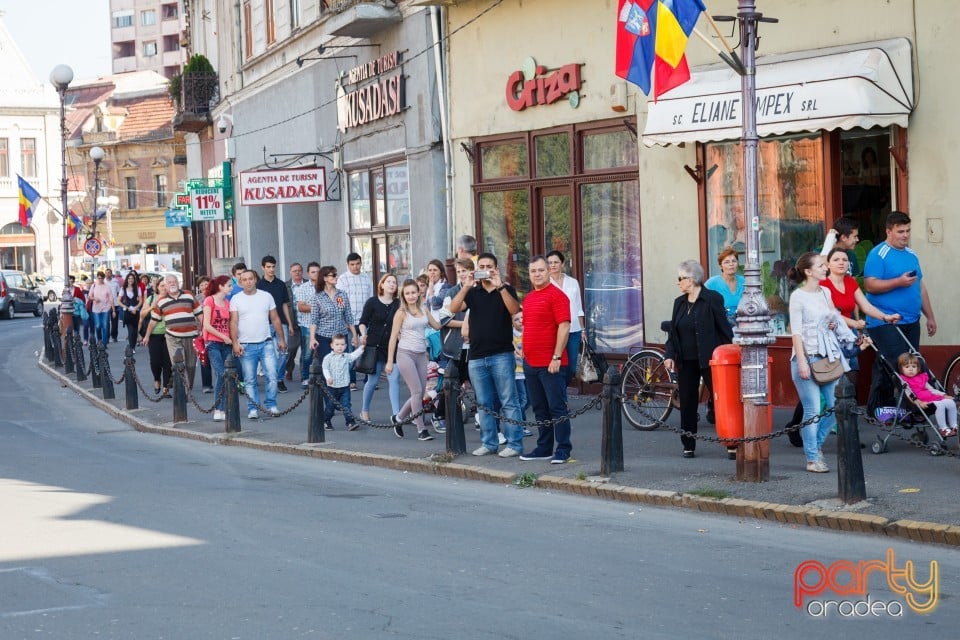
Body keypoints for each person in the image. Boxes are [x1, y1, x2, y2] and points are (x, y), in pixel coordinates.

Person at [449, 252, 524, 457]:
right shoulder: (473, 292)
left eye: (488, 266)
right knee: (483, 403)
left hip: (501, 354)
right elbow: (453, 308)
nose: (485, 269)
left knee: (508, 400)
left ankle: (515, 444)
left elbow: (514, 310)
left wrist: (499, 286)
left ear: (495, 268)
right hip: (476, 355)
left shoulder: (505, 289)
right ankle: (489, 443)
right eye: (481, 265)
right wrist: (465, 285)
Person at [788, 252, 857, 473]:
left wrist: (833, 326)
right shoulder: (798, 296)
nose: (825, 267)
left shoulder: (826, 292)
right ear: (808, 271)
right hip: (806, 357)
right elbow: (796, 333)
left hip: (827, 357)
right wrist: (801, 362)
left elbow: (832, 318)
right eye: (820, 265)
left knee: (836, 406)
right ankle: (811, 458)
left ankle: (815, 446)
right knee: (813, 409)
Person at [863, 211, 937, 415]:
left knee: (909, 364)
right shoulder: (879, 254)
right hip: (886, 322)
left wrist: (929, 316)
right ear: (889, 231)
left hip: (911, 320)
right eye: (900, 231)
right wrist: (898, 282)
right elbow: (870, 285)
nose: (905, 235)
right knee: (901, 365)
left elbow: (920, 287)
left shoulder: (912, 255)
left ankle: (892, 410)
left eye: (908, 231)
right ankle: (914, 409)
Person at [662, 260, 733, 459]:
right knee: (687, 401)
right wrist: (670, 355)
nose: (678, 282)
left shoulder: (712, 299)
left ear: (691, 279)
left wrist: (730, 352)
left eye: (680, 278)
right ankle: (688, 444)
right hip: (686, 360)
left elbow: (723, 329)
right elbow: (673, 333)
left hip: (711, 359)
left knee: (721, 400)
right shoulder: (679, 303)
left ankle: (732, 442)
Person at [518, 256, 572, 463]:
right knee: (539, 409)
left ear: (549, 271)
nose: (537, 274)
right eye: (533, 271)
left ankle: (563, 449)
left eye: (541, 270)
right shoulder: (529, 298)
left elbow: (564, 326)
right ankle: (544, 447)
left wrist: (557, 356)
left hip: (552, 363)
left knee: (557, 407)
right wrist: (525, 348)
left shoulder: (558, 296)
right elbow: (529, 325)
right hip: (531, 362)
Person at [384, 279, 442, 442]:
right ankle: (421, 429)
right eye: (407, 293)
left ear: (418, 293)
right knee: (416, 392)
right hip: (405, 354)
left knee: (420, 393)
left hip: (421, 355)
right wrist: (389, 361)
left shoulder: (424, 309)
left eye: (413, 292)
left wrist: (449, 311)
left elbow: (437, 325)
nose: (410, 296)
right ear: (403, 295)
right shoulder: (401, 313)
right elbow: (393, 338)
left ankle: (399, 418)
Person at [230, 269, 287, 419]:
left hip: (266, 342)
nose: (248, 282)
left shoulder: (266, 296)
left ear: (256, 279)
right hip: (246, 345)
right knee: (250, 380)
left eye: (250, 278)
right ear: (240, 282)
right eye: (244, 279)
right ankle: (253, 408)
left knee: (272, 376)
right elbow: (233, 322)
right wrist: (235, 342)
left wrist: (281, 339)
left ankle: (271, 405)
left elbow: (275, 319)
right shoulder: (236, 299)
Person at [141, 275, 201, 390]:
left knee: (191, 365)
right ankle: (183, 390)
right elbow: (153, 321)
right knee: (178, 364)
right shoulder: (161, 301)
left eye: (174, 281)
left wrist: (203, 329)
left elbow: (199, 314)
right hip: (172, 337)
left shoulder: (189, 295)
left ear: (178, 283)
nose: (172, 284)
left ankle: (188, 387)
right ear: (166, 286)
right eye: (169, 282)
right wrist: (147, 336)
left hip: (191, 336)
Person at [358, 273, 402, 422]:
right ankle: (364, 410)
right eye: (388, 281)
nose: (391, 284)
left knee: (394, 378)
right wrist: (363, 334)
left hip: (392, 346)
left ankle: (397, 415)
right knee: (373, 381)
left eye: (394, 282)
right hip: (374, 346)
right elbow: (363, 321)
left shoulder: (398, 304)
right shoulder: (372, 302)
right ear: (382, 285)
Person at [546, 250, 585, 384]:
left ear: (562, 263)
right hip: (554, 331)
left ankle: (564, 391)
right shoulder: (545, 283)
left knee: (571, 366)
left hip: (574, 330)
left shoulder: (573, 282)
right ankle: (562, 398)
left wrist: (583, 329)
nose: (553, 265)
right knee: (557, 363)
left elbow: (578, 307)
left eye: (556, 262)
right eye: (550, 263)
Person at [897, 352, 957, 438]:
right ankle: (943, 428)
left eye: (914, 367)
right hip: (920, 402)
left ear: (918, 368)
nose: (911, 369)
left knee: (950, 402)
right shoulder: (904, 380)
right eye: (907, 367)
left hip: (931, 398)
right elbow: (908, 394)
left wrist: (944, 395)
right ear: (901, 369)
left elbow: (931, 390)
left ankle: (954, 426)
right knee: (939, 405)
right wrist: (918, 402)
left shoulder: (922, 377)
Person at [337, 253, 374, 390]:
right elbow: (339, 299)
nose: (355, 267)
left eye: (357, 264)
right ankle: (351, 380)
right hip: (349, 320)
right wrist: (343, 317)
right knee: (350, 350)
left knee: (366, 348)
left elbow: (371, 298)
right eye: (352, 264)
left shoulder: (366, 278)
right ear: (348, 265)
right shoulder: (342, 279)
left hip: (364, 320)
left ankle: (367, 378)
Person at [257, 255, 293, 393]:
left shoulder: (281, 284)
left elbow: (285, 305)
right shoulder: (259, 285)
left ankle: (278, 379)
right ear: (263, 268)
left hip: (281, 321)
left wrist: (289, 323)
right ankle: (273, 379)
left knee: (283, 352)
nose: (271, 269)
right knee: (269, 353)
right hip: (265, 323)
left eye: (273, 266)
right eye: (268, 267)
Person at [309, 265, 357, 368]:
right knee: (328, 366)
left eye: (336, 274)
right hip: (324, 337)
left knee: (342, 365)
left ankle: (343, 384)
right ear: (325, 278)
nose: (336, 277)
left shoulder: (341, 295)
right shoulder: (317, 297)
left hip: (341, 337)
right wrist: (312, 338)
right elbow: (314, 319)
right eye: (333, 275)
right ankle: (328, 384)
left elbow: (348, 316)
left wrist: (354, 335)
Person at [201, 275, 232, 422]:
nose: (231, 288)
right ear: (220, 286)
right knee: (220, 373)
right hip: (213, 342)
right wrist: (222, 336)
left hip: (226, 343)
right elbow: (206, 324)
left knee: (226, 374)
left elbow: (230, 323)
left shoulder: (227, 302)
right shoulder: (209, 300)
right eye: (229, 286)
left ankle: (223, 407)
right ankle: (218, 408)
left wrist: (232, 339)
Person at [321, 334, 365, 431]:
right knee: (330, 406)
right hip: (332, 387)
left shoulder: (346, 356)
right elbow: (325, 369)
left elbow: (354, 355)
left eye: (342, 344)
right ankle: (326, 421)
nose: (340, 347)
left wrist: (362, 347)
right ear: (332, 345)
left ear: (345, 346)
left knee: (346, 405)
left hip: (345, 386)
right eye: (337, 344)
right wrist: (328, 377)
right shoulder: (328, 358)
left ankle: (350, 422)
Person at [139, 278, 172, 397]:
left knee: (168, 362)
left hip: (169, 334)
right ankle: (157, 379)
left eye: (166, 285)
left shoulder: (171, 299)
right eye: (162, 285)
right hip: (154, 334)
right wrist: (151, 307)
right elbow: (142, 314)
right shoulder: (151, 299)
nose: (164, 288)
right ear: (157, 287)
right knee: (156, 361)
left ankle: (165, 388)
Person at [294, 262, 321, 387]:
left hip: (324, 324)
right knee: (307, 353)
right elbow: (301, 306)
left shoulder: (326, 286)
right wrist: (317, 307)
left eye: (318, 271)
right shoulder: (303, 288)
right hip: (307, 325)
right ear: (308, 273)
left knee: (324, 352)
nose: (316, 274)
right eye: (313, 272)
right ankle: (305, 377)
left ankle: (324, 377)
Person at [704, 247, 745, 326]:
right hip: (721, 327)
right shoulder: (711, 283)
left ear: (738, 263)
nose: (731, 264)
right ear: (720, 266)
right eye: (726, 262)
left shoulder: (744, 281)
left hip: (743, 325)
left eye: (734, 261)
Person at [285, 263, 305, 382]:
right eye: (294, 271)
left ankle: (304, 374)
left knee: (306, 352)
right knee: (291, 349)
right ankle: (289, 369)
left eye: (299, 270)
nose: (297, 273)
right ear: (290, 272)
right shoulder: (286, 286)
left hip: (306, 323)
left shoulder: (308, 284)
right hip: (293, 324)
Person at [195, 275, 214, 393]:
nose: (204, 286)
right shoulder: (196, 299)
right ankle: (207, 384)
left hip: (216, 330)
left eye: (206, 284)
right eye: (201, 284)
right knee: (204, 357)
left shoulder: (215, 297)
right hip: (201, 332)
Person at [87, 272, 116, 346]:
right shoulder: (94, 285)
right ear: (97, 278)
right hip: (96, 309)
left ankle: (104, 343)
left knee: (105, 325)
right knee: (97, 325)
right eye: (99, 278)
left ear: (104, 278)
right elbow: (89, 296)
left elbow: (111, 298)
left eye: (102, 278)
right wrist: (94, 298)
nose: (100, 279)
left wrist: (113, 310)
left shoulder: (107, 286)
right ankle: (99, 339)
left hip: (106, 308)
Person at [118, 271, 143, 351]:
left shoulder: (137, 288)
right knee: (130, 330)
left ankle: (133, 346)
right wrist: (125, 307)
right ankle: (131, 347)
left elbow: (141, 301)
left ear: (134, 279)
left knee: (135, 330)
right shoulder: (123, 288)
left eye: (132, 278)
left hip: (136, 311)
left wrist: (136, 308)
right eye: (129, 278)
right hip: (127, 311)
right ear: (127, 279)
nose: (131, 280)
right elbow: (118, 301)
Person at [105, 268, 122, 342]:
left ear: (111, 274)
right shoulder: (104, 282)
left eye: (109, 272)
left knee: (115, 322)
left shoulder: (115, 282)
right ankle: (107, 336)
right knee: (106, 322)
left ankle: (114, 336)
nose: (108, 274)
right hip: (106, 304)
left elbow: (118, 292)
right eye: (106, 272)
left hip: (115, 304)